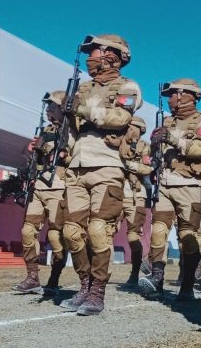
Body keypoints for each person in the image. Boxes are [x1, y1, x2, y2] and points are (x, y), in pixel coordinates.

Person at [61, 34, 143, 316]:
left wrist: (80, 108)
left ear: (111, 54)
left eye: (94, 51)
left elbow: (119, 118)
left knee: (99, 231)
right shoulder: (82, 88)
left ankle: (98, 291)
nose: (89, 57)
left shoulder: (127, 87)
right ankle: (84, 285)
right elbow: (71, 130)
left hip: (108, 166)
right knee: (71, 232)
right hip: (77, 166)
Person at [142, 79, 201, 301]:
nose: (169, 98)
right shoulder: (166, 121)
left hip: (190, 185)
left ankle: (187, 285)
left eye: (173, 94)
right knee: (158, 231)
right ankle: (157, 279)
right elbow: (152, 150)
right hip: (164, 185)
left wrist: (172, 138)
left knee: (188, 237)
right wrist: (152, 149)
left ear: (186, 95)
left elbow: (199, 149)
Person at [13, 91, 69, 295]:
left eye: (52, 106)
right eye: (47, 106)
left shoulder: (71, 131)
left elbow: (69, 157)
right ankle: (32, 277)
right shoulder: (46, 130)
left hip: (59, 187)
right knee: (28, 232)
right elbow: (31, 159)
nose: (48, 110)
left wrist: (45, 147)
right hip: (39, 187)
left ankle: (54, 278)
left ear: (63, 107)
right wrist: (30, 150)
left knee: (56, 236)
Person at [118, 116, 152, 289]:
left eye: (133, 127)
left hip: (136, 194)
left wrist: (127, 164)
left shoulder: (144, 147)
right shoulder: (116, 141)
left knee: (133, 236)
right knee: (103, 231)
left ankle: (135, 272)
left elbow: (148, 168)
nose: (130, 129)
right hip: (114, 192)